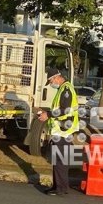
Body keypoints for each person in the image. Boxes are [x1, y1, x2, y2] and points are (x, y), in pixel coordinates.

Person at [38, 67, 79, 196]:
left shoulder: (66, 89)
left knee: (60, 160)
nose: (51, 84)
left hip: (63, 130)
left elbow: (64, 110)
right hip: (61, 130)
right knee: (59, 160)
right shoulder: (63, 88)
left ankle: (60, 188)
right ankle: (59, 186)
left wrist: (48, 115)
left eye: (50, 81)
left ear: (56, 77)